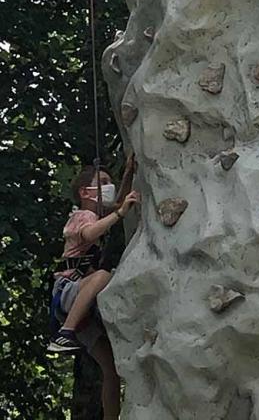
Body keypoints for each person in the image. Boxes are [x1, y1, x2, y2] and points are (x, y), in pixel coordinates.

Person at [48, 157, 140, 420]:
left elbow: (118, 203)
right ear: (84, 192)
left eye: (109, 182)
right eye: (102, 183)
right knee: (102, 275)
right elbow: (90, 234)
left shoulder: (97, 214)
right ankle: (64, 334)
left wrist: (128, 174)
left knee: (110, 370)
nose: (108, 186)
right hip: (69, 292)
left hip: (80, 303)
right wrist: (120, 214)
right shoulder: (82, 216)